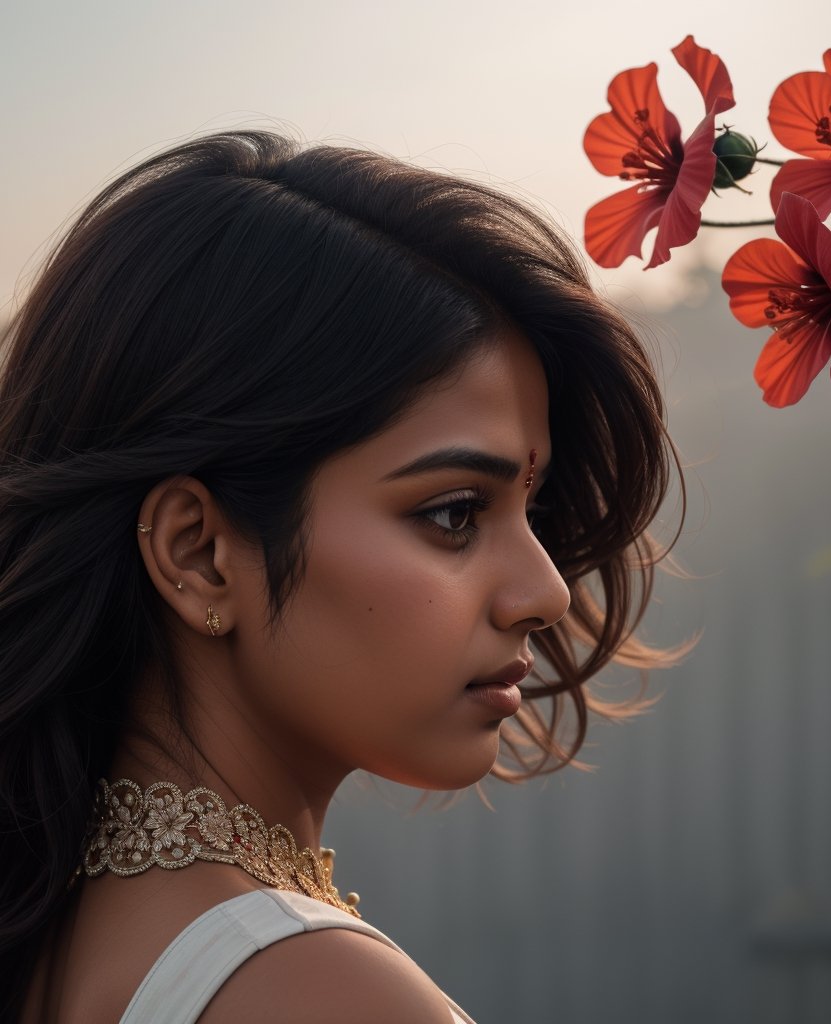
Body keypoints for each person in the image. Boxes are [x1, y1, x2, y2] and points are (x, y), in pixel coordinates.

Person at [0, 130, 681, 1023]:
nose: (546, 592)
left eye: (533, 505)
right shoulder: (322, 994)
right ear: (198, 554)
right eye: (454, 514)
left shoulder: (58, 936)